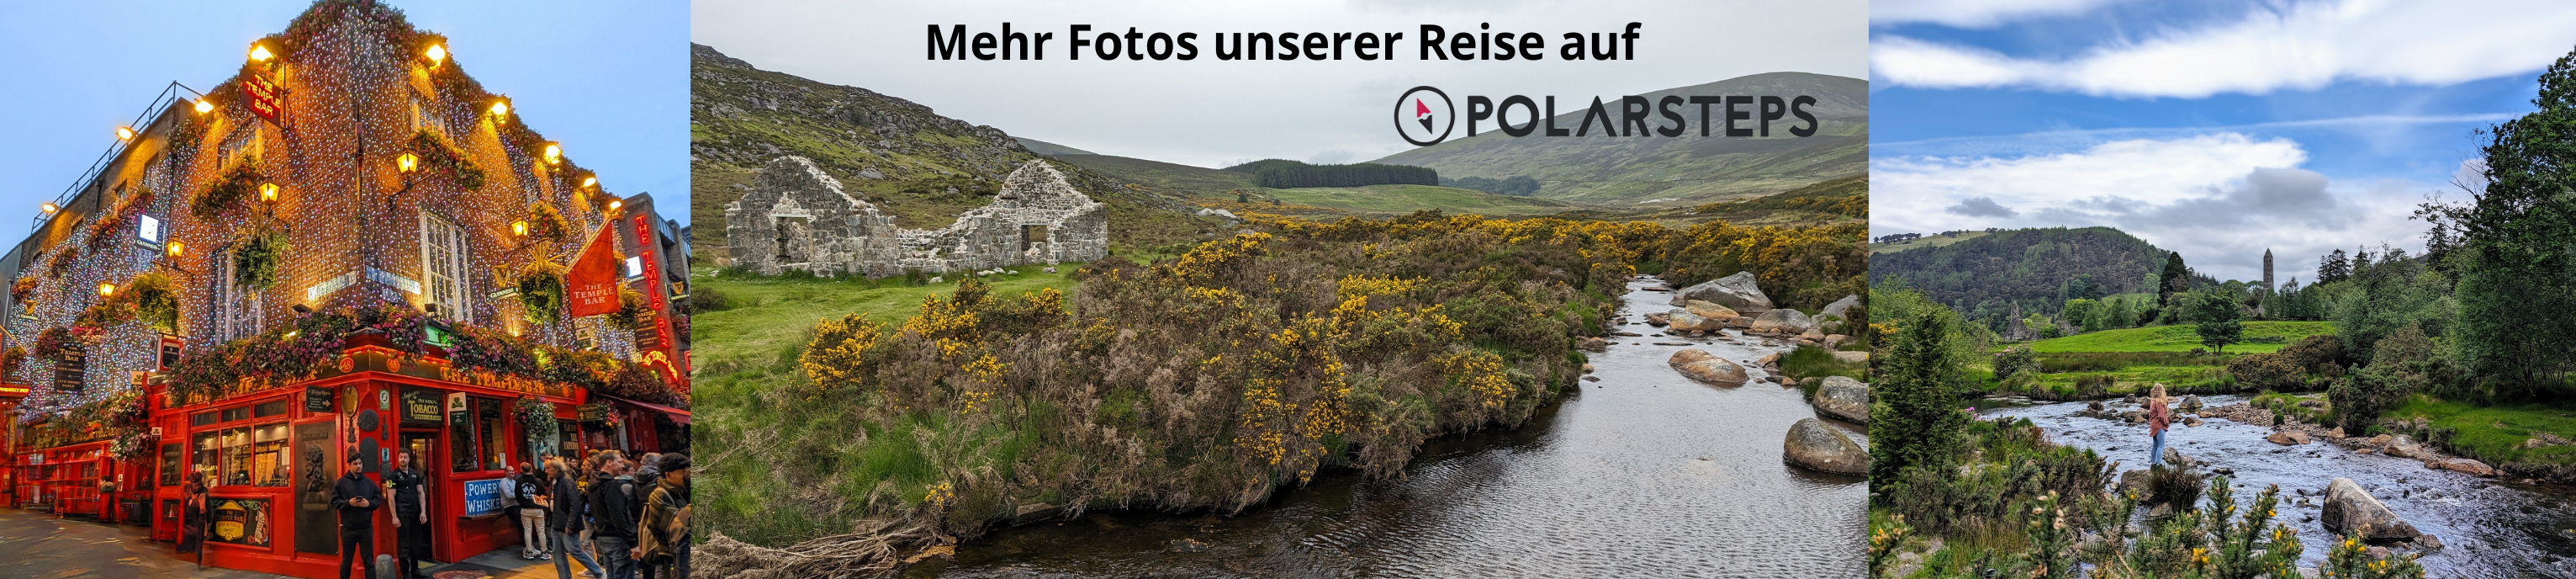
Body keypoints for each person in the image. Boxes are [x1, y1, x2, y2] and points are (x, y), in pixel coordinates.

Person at [329, 451, 383, 579]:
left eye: (360, 463)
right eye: (355, 464)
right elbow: (334, 502)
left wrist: (368, 504)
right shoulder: (341, 483)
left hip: (366, 528)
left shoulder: (369, 483)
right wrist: (349, 503)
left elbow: (378, 500)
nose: (358, 466)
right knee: (347, 561)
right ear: (349, 465)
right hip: (348, 528)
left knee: (369, 561)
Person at [588, 452, 641, 579]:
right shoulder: (611, 485)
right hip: (617, 539)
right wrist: (632, 543)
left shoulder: (594, 483)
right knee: (623, 574)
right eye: (620, 462)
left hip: (603, 536)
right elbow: (618, 516)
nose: (622, 466)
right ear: (609, 462)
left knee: (612, 574)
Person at [637, 454, 690, 579]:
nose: (688, 477)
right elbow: (678, 524)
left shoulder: (682, 491)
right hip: (668, 558)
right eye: (683, 473)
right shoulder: (659, 495)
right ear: (668, 474)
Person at [550, 456, 603, 579]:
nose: (545, 471)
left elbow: (574, 504)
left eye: (548, 468)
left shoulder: (567, 481)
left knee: (575, 550)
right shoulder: (554, 481)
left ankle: (598, 572)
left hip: (567, 522)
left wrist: (570, 524)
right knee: (557, 553)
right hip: (556, 522)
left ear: (557, 468)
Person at [388, 450, 431, 579]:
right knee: (404, 544)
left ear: (409, 459)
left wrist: (423, 512)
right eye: (401, 457)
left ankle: (416, 571)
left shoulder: (415, 474)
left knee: (416, 544)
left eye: (405, 457)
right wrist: (394, 516)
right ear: (397, 458)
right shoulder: (393, 476)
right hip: (402, 514)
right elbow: (391, 496)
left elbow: (421, 493)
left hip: (415, 513)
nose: (403, 459)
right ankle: (406, 573)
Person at [516, 461, 552, 560]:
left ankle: (529, 552)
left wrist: (524, 502)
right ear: (531, 469)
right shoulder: (538, 481)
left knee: (527, 531)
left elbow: (517, 496)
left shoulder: (519, 481)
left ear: (522, 470)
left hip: (525, 509)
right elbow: (543, 493)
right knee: (541, 531)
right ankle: (544, 552)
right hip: (537, 508)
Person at [179, 469, 208, 558]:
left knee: (192, 541)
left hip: (191, 522)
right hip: (199, 520)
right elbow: (205, 509)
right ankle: (196, 559)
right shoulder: (203, 491)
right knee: (198, 542)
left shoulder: (189, 493)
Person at [2146, 384, 2172, 468]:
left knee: (2155, 446)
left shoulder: (2153, 401)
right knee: (2161, 446)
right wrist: (2166, 423)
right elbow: (2162, 416)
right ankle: (2159, 464)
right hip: (2159, 426)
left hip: (2153, 426)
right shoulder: (2159, 402)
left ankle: (2153, 463)